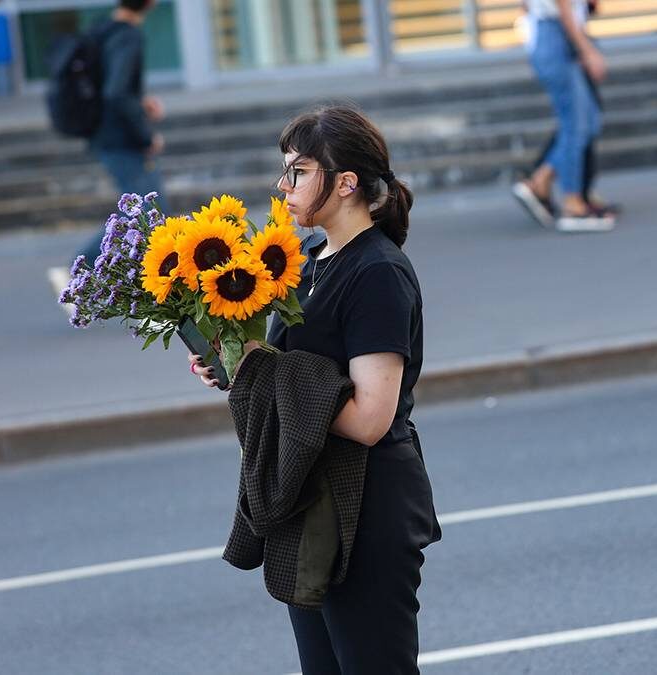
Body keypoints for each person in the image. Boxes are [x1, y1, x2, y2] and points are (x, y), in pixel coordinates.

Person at [189, 105, 441, 673]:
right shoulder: (307, 261)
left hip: (366, 504)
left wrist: (263, 367)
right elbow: (289, 371)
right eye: (285, 171)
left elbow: (371, 418)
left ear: (345, 182)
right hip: (309, 497)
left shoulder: (378, 272)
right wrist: (233, 363)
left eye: (298, 171)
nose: (284, 187)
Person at [47, 0, 168, 297]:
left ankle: (136, 283)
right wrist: (144, 136)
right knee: (146, 210)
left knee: (145, 210)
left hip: (104, 134)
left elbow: (109, 86)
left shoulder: (103, 28)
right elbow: (115, 92)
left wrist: (139, 103)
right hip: (119, 138)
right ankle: (81, 266)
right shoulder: (127, 35)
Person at [512, 0, 614, 232]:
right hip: (556, 36)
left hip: (557, 36)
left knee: (588, 122)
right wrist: (588, 50)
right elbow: (564, 8)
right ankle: (572, 203)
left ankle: (541, 181)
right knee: (575, 126)